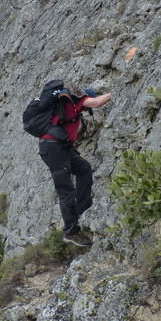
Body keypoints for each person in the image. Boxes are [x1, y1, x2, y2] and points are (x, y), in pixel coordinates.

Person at [38, 82, 112, 247]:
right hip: (53, 148)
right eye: (86, 108)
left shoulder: (69, 109)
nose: (86, 111)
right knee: (66, 190)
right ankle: (71, 231)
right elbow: (96, 103)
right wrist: (113, 93)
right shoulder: (75, 100)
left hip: (62, 147)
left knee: (84, 168)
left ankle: (83, 208)